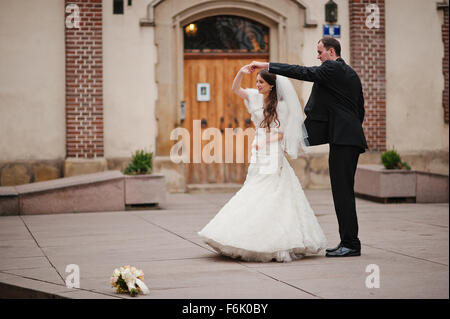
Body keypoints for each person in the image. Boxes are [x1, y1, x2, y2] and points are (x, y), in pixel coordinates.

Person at [251, 37, 368, 257]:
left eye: (320, 52)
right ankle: (348, 241)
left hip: (344, 139)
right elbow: (359, 108)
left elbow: (302, 72)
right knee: (343, 191)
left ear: (331, 52)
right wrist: (348, 129)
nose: (318, 56)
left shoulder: (332, 67)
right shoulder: (351, 73)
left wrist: (267, 65)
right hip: (347, 138)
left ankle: (351, 244)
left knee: (342, 192)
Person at [197, 65, 327, 263]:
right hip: (258, 152)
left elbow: (284, 132)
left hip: (272, 151)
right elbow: (236, 89)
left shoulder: (282, 106)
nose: (257, 85)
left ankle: (274, 239)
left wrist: (267, 140)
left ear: (271, 86)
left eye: (261, 82)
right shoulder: (254, 96)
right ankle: (243, 234)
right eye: (256, 81)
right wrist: (241, 72)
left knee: (269, 191)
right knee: (253, 187)